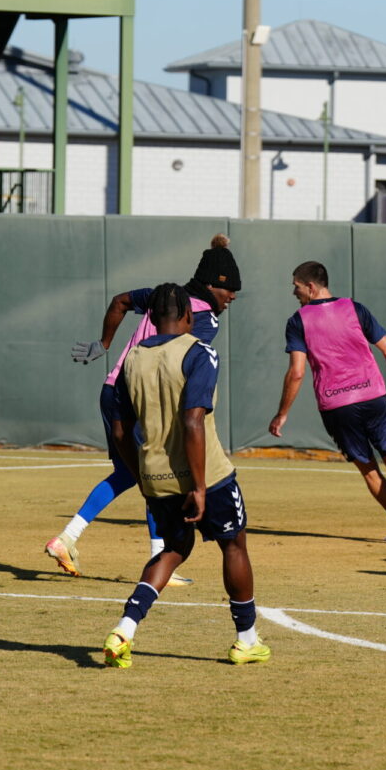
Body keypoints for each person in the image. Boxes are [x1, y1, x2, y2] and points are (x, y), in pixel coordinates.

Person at [45, 233, 241, 584]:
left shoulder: (162, 297)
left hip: (114, 390)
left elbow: (120, 301)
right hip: (143, 398)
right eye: (230, 290)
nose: (233, 297)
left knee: (133, 473)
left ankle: (70, 538)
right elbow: (180, 364)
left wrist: (104, 343)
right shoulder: (205, 319)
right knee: (154, 471)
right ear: (214, 286)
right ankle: (158, 556)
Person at [102, 284, 268, 668]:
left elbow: (120, 431)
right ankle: (246, 640)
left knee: (174, 550)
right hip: (206, 475)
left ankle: (124, 629)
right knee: (234, 545)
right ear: (189, 317)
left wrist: (142, 478)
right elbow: (193, 420)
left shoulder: (132, 359)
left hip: (156, 475)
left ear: (151, 318)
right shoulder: (199, 351)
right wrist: (198, 486)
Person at [268, 260, 386, 543]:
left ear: (311, 287)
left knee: (369, 471)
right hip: (373, 395)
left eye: (297, 286)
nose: (294, 292)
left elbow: (297, 372)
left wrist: (282, 413)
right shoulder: (355, 308)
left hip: (337, 406)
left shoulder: (298, 320)